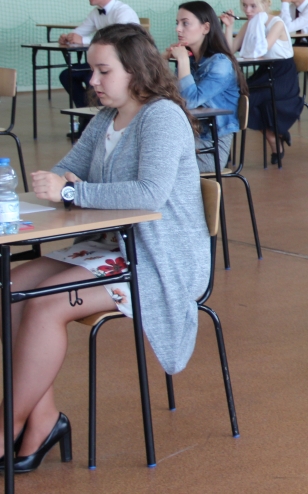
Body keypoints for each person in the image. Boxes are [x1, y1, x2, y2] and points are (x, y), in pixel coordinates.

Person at [9, 24, 208, 474]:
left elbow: (149, 194)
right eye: (92, 71)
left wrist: (72, 191)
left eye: (103, 71)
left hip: (160, 258)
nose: (93, 80)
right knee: (12, 287)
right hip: (112, 244)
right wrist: (61, 184)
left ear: (135, 70)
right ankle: (43, 419)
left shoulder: (162, 117)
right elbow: (66, 170)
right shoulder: (105, 117)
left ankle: (7, 426)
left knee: (44, 305)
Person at [220, 0, 304, 165]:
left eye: (253, 6)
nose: (248, 10)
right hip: (265, 72)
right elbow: (229, 51)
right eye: (245, 6)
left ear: (265, 5)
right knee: (236, 96)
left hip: (282, 76)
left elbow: (262, 49)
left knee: (246, 100)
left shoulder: (277, 23)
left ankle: (273, 137)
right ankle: (273, 136)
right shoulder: (250, 24)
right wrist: (229, 27)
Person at [166, 1, 246, 173]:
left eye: (185, 23)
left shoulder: (220, 63)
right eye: (177, 23)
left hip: (210, 149)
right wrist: (162, 60)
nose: (178, 29)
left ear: (206, 28)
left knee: (154, 160)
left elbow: (189, 101)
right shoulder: (192, 61)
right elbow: (166, 95)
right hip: (190, 137)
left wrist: (182, 61)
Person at [59, 0, 140, 114]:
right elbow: (80, 32)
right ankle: (87, 113)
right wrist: (68, 37)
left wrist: (82, 40)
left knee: (91, 78)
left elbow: (117, 39)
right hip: (103, 64)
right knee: (67, 75)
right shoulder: (95, 13)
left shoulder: (123, 11)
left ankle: (96, 114)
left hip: (124, 64)